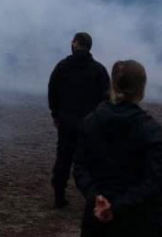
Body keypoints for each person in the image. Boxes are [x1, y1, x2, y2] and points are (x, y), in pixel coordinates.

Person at [73, 60, 162, 237]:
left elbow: (80, 168)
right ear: (141, 89)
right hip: (139, 222)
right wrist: (118, 206)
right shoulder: (151, 130)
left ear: (113, 85)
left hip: (97, 218)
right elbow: (155, 182)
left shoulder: (89, 122)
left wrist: (97, 198)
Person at [47, 32, 109, 208]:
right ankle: (94, 197)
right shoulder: (99, 70)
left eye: (73, 41)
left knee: (63, 159)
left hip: (66, 122)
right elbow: (106, 97)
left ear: (76, 44)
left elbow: (52, 91)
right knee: (93, 160)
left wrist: (55, 114)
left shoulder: (62, 67)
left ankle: (59, 196)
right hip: (91, 123)